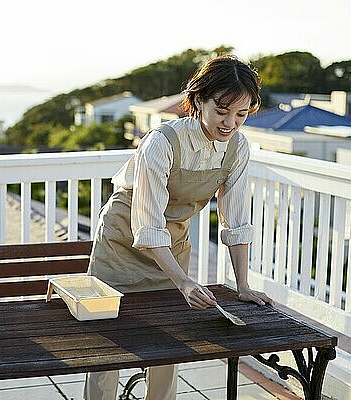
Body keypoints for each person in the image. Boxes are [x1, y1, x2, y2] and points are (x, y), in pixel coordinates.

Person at [85, 55, 274, 400]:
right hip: (121, 245)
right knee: (107, 348)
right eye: (222, 110)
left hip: (172, 247)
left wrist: (243, 285)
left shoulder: (237, 148)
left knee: (170, 343)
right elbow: (148, 224)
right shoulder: (162, 141)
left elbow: (236, 221)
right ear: (198, 100)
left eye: (241, 114)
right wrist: (183, 281)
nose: (230, 123)